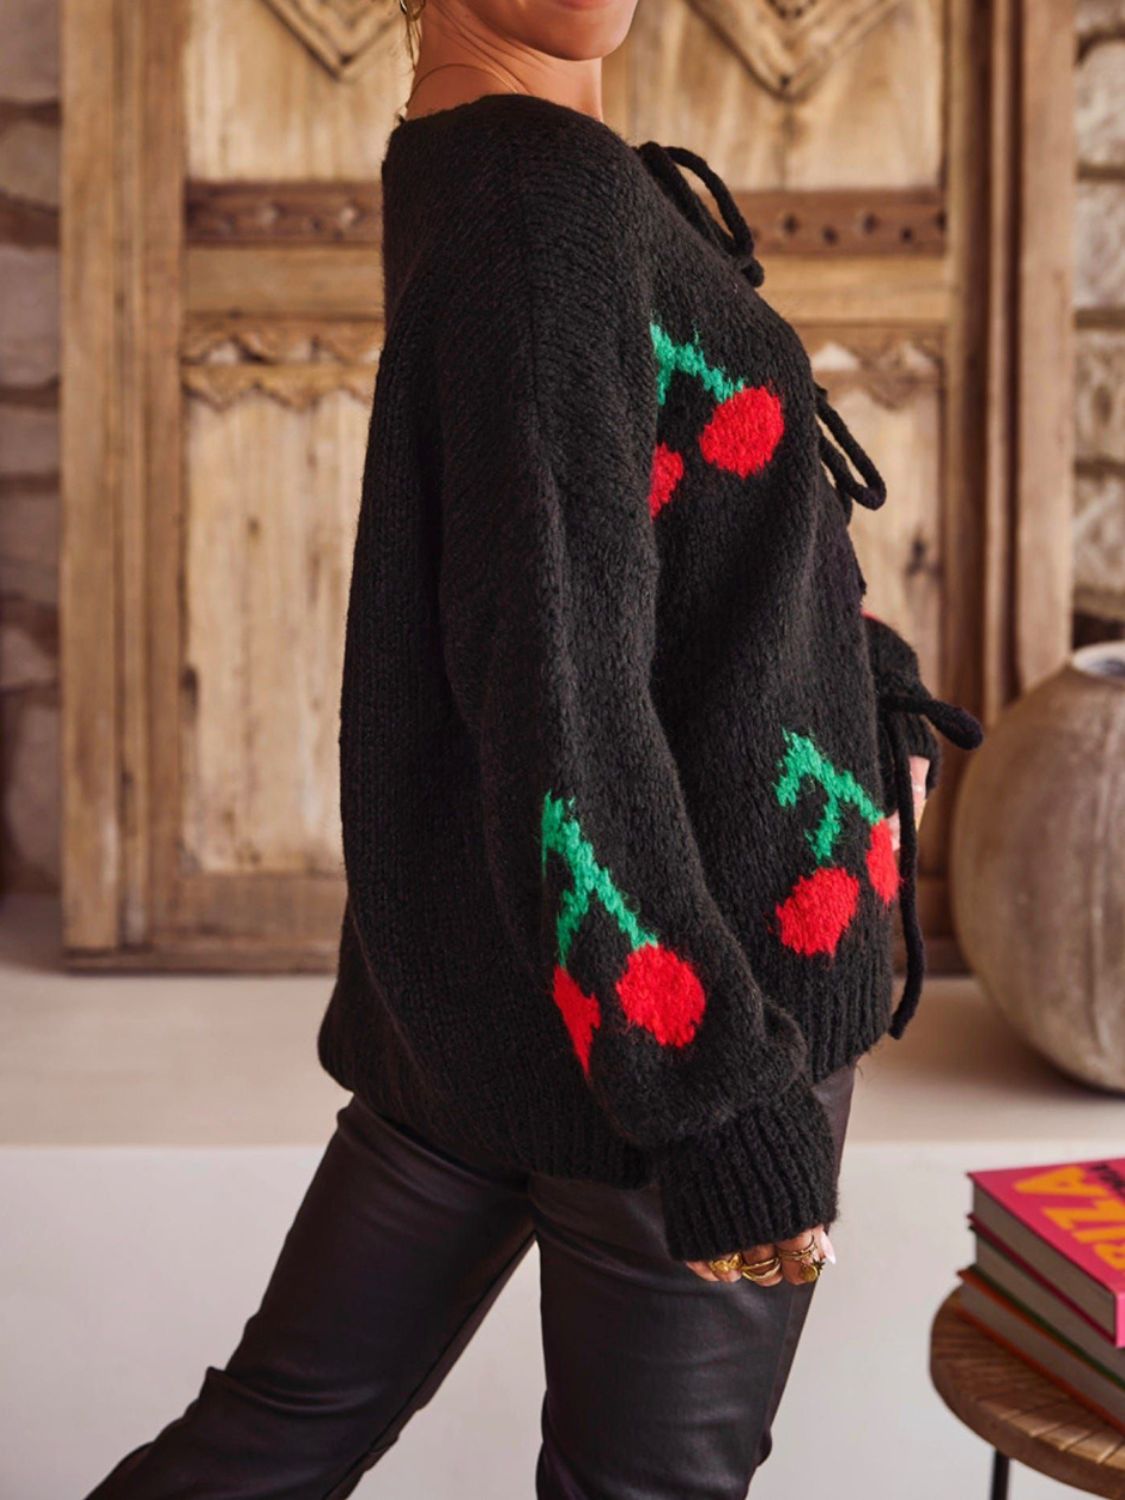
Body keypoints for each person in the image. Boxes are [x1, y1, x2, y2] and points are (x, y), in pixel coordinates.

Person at [84, 2, 983, 1496]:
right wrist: (718, 1102)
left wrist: (858, 683)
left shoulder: (480, 160)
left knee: (267, 1441)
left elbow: (646, 560)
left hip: (496, 983)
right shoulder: (537, 196)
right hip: (684, 991)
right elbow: (555, 679)